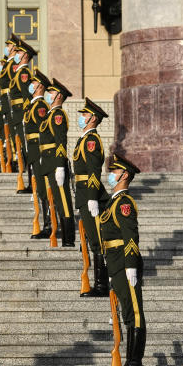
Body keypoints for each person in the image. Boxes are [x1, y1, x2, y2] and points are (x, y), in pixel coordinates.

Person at [100, 153, 146, 366]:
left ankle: (135, 360)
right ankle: (129, 359)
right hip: (115, 264)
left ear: (124, 175)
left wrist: (130, 265)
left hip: (125, 264)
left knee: (134, 311)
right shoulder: (113, 202)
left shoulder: (124, 203)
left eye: (114, 171)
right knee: (127, 311)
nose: (110, 175)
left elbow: (130, 237)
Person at [73, 98, 110, 297]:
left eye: (85, 115)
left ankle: (102, 285)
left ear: (93, 118)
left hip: (89, 194)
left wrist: (93, 197)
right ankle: (100, 283)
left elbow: (94, 170)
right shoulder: (85, 138)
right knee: (93, 238)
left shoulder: (91, 140)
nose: (81, 117)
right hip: (84, 193)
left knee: (97, 240)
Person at [39, 78, 75, 247]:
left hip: (55, 163)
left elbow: (61, 141)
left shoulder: (58, 115)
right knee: (55, 201)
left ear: (58, 96)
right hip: (48, 162)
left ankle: (69, 238)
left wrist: (60, 165)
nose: (48, 95)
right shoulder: (50, 115)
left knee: (63, 202)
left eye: (51, 92)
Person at [24, 70, 51, 239]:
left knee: (44, 191)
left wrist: (43, 154)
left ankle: (50, 225)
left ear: (40, 86)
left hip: (40, 154)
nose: (31, 86)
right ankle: (47, 223)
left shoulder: (40, 107)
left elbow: (43, 132)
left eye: (33, 83)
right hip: (34, 154)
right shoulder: (33, 106)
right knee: (40, 190)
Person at [7, 39, 36, 193]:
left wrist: (26, 116)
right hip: (18, 117)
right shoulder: (19, 73)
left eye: (18, 52)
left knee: (28, 151)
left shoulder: (23, 73)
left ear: (25, 55)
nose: (15, 54)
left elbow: (26, 96)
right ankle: (31, 182)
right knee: (25, 151)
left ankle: (33, 184)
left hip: (23, 117)